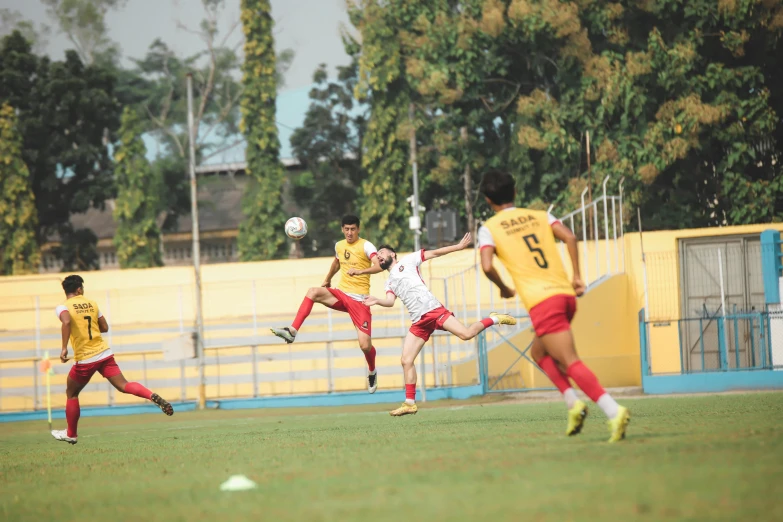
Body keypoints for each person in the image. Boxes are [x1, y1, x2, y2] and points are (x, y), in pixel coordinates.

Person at [478, 169, 630, 442]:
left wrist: (504, 289)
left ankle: (613, 411)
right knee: (539, 353)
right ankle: (574, 404)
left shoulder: (489, 229)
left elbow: (487, 265)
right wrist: (577, 276)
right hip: (565, 297)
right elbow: (570, 237)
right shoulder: (540, 215)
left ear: (488, 200)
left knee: (569, 361)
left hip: (542, 302)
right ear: (514, 192)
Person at [365, 233, 517, 416]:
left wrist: (458, 247)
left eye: (382, 252)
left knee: (466, 334)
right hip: (419, 321)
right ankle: (410, 403)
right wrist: (377, 300)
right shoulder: (388, 281)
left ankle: (495, 318)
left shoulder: (409, 260)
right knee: (406, 360)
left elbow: (435, 253)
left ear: (393, 254)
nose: (379, 255)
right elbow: (390, 302)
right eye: (378, 255)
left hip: (433, 310)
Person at [51, 275, 173, 445]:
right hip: (104, 353)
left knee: (71, 394)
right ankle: (150, 395)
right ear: (79, 289)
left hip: (85, 358)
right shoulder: (92, 304)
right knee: (124, 385)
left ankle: (71, 434)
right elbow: (105, 328)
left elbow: (66, 322)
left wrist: (64, 348)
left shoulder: (62, 307)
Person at [271, 215, 384, 393]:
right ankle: (292, 331)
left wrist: (360, 271)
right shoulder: (339, 245)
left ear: (358, 229)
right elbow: (337, 262)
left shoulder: (367, 246)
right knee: (313, 292)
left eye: (353, 229)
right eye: (346, 229)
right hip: (341, 294)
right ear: (342, 229)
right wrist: (327, 280)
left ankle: (372, 371)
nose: (349, 232)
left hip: (360, 301)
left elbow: (379, 266)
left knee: (364, 345)